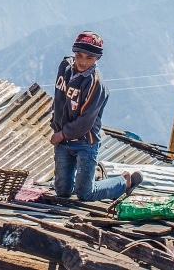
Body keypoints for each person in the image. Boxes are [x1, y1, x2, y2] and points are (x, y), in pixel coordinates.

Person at [50, 31, 139, 202]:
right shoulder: (65, 68)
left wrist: (61, 134)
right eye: (79, 55)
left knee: (84, 194)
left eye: (89, 58)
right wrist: (55, 124)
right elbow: (59, 98)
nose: (82, 61)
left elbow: (85, 122)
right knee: (62, 192)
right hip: (63, 141)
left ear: (97, 58)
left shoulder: (96, 84)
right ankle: (93, 175)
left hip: (85, 142)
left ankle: (124, 182)